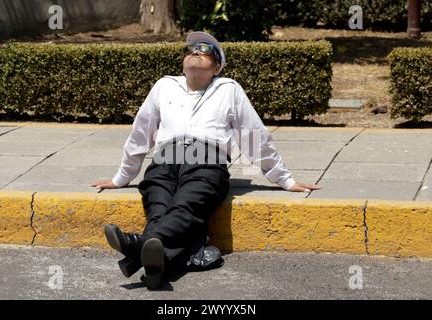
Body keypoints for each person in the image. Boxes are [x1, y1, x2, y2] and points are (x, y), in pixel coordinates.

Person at [91, 31, 320, 290]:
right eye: (190, 50)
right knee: (158, 207)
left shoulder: (229, 89)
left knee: (184, 206)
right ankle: (157, 264)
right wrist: (121, 177)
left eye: (205, 49)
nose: (195, 51)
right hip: (165, 158)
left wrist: (285, 180)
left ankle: (138, 245)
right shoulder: (164, 85)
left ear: (217, 67)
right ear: (183, 63)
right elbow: (141, 133)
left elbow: (254, 136)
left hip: (207, 161)